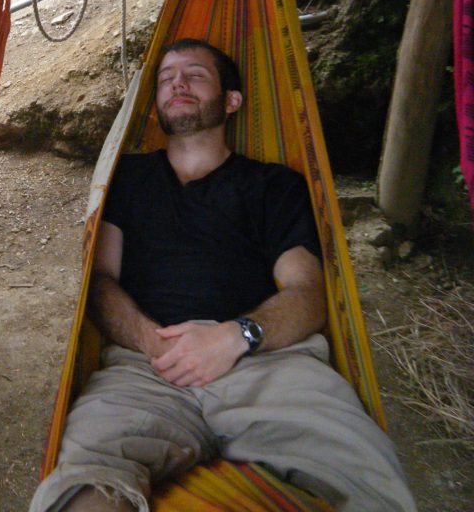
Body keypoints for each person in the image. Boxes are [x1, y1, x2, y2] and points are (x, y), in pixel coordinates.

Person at [30, 39, 415, 512]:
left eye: (195, 73)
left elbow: (309, 293)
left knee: (363, 483)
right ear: (156, 106)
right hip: (146, 370)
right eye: (168, 76)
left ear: (231, 101)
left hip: (268, 364)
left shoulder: (275, 186)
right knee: (85, 488)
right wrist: (152, 342)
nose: (177, 82)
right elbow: (102, 281)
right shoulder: (126, 179)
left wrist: (236, 336)